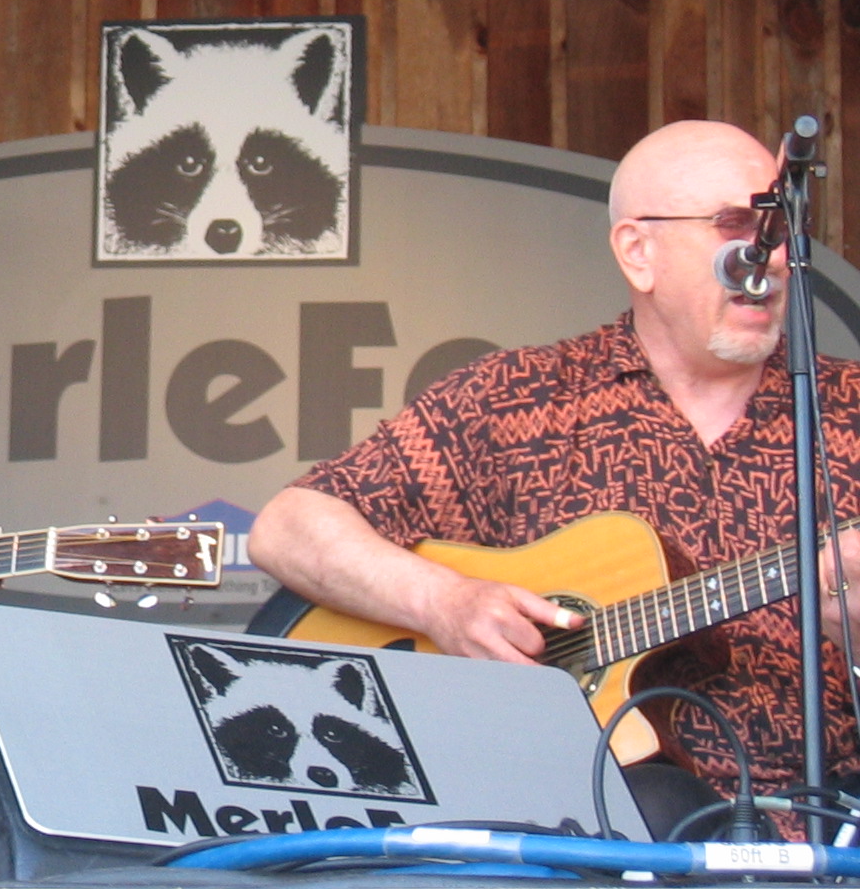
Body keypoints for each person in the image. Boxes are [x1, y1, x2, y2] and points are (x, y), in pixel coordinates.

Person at [248, 119, 860, 837]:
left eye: (781, 229)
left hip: (828, 840)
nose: (773, 255)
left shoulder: (847, 413)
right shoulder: (518, 399)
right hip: (565, 847)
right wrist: (446, 602)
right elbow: (288, 528)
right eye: (737, 226)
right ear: (639, 253)